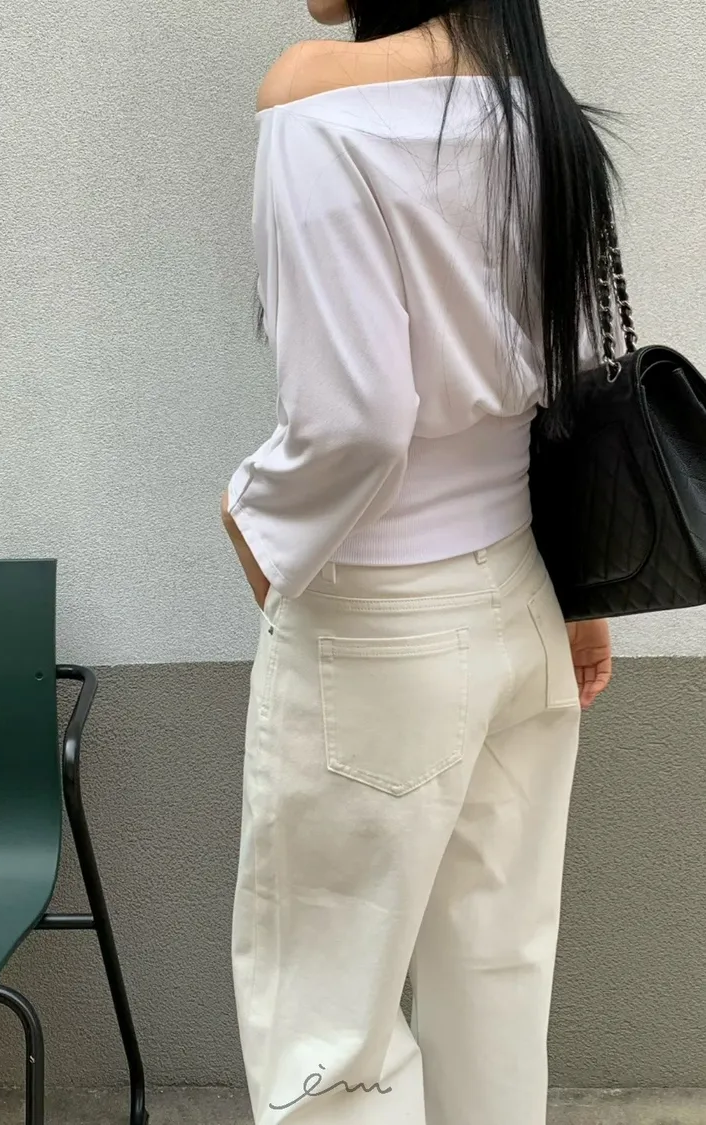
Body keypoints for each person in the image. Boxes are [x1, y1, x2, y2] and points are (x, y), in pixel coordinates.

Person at [222, 1, 615, 1122]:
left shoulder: (316, 95)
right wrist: (580, 591)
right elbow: (576, 381)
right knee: (496, 987)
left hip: (379, 624)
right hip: (523, 598)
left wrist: (249, 515)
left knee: (329, 1033)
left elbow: (355, 421)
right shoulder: (538, 106)